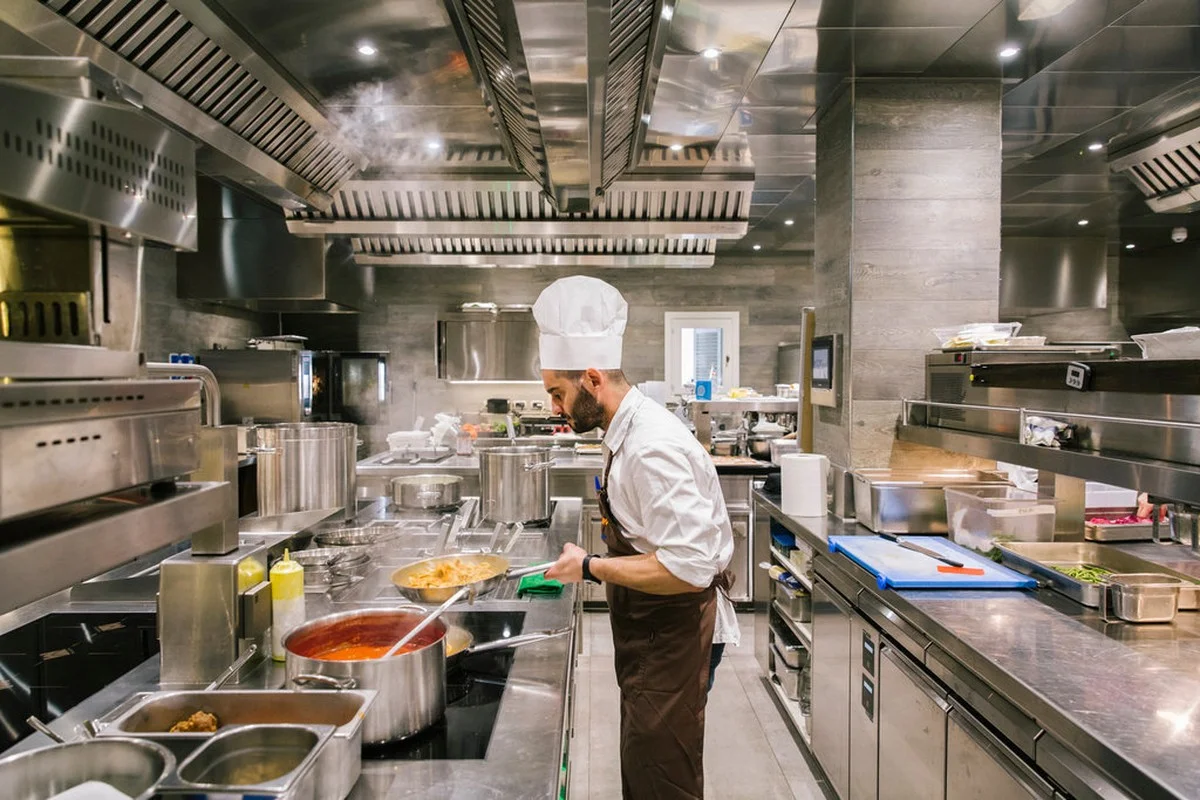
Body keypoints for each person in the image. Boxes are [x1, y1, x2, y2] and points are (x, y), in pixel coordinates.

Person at [538, 275, 738, 800]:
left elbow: (688, 566)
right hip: (651, 630)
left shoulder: (651, 446)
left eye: (558, 393)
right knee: (647, 761)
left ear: (591, 377)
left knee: (662, 775)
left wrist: (589, 567)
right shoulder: (625, 429)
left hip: (672, 632)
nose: (556, 409)